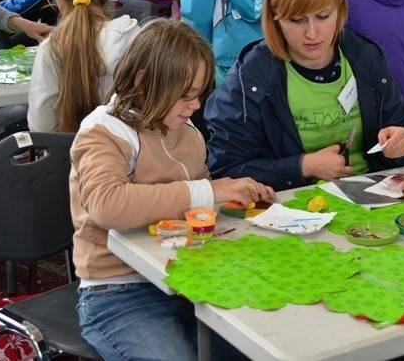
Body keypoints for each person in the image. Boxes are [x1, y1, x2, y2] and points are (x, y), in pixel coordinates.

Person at [71, 18, 275, 359]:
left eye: (198, 95)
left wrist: (236, 200)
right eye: (185, 96)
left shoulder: (187, 132)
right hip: (118, 291)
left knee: (259, 344)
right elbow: (108, 205)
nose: (195, 106)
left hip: (187, 281)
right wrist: (207, 191)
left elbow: (194, 203)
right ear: (144, 81)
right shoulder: (104, 130)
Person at [206, 0, 404, 191]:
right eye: (296, 20)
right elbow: (224, 170)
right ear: (275, 17)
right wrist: (302, 167)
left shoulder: (365, 56)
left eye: (323, 16)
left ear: (340, 10)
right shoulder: (251, 76)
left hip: (373, 195)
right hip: (292, 210)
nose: (312, 33)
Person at [28, 0, 139, 133]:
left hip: (68, 156)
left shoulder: (52, 47)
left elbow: (41, 125)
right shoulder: (135, 37)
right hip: (131, 152)